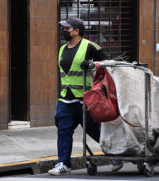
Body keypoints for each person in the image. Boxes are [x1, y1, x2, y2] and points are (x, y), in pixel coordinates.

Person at [48, 17, 123, 176]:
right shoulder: (62, 49)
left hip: (86, 99)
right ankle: (63, 163)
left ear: (77, 31)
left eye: (67, 28)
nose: (64, 31)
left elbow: (108, 63)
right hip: (65, 98)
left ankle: (116, 154)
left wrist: (92, 65)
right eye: (64, 28)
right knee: (63, 130)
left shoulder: (90, 46)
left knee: (95, 130)